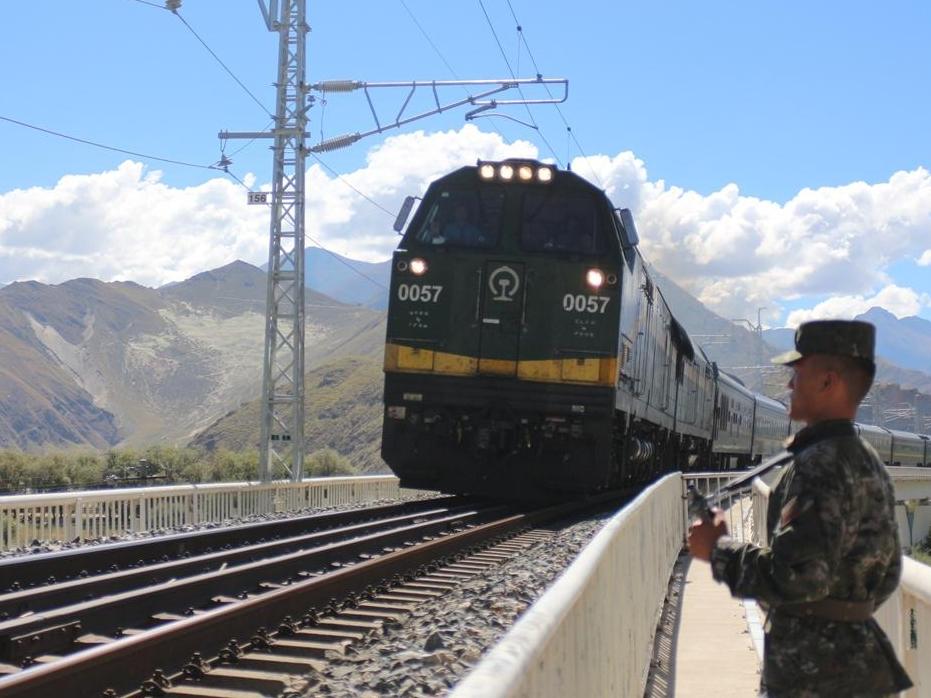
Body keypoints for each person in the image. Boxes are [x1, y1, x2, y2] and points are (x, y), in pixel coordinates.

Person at [688, 319, 912, 697]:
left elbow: (797, 577)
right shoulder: (867, 461)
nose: (789, 384)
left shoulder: (819, 464)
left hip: (814, 676)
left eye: (797, 372)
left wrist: (718, 549)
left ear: (827, 381)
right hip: (859, 665)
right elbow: (888, 575)